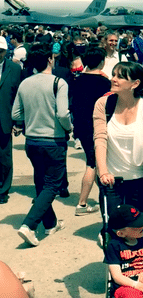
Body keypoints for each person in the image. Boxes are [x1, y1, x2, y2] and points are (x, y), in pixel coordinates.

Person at [12, 43, 72, 246]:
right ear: (49, 59)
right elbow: (63, 113)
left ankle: (50, 223)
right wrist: (68, 127)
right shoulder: (58, 82)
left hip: (32, 141)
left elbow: (16, 114)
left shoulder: (25, 83)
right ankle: (29, 224)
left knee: (41, 181)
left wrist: (30, 119)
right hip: (53, 140)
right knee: (52, 184)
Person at [93, 62, 143, 224]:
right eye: (113, 75)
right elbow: (99, 139)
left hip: (139, 178)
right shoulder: (103, 104)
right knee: (113, 225)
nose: (113, 79)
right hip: (112, 179)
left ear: (135, 83)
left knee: (135, 227)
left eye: (120, 76)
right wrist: (103, 172)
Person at [69, 46, 111, 216]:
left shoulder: (77, 80)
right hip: (97, 127)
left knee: (93, 161)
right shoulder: (104, 83)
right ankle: (82, 203)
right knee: (93, 164)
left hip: (81, 126)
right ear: (102, 62)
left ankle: (102, 195)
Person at [0, 36, 21, 204]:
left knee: (5, 157)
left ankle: (3, 189)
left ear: (6, 51)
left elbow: (17, 97)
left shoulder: (14, 69)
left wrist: (18, 121)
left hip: (4, 119)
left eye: (0, 51)